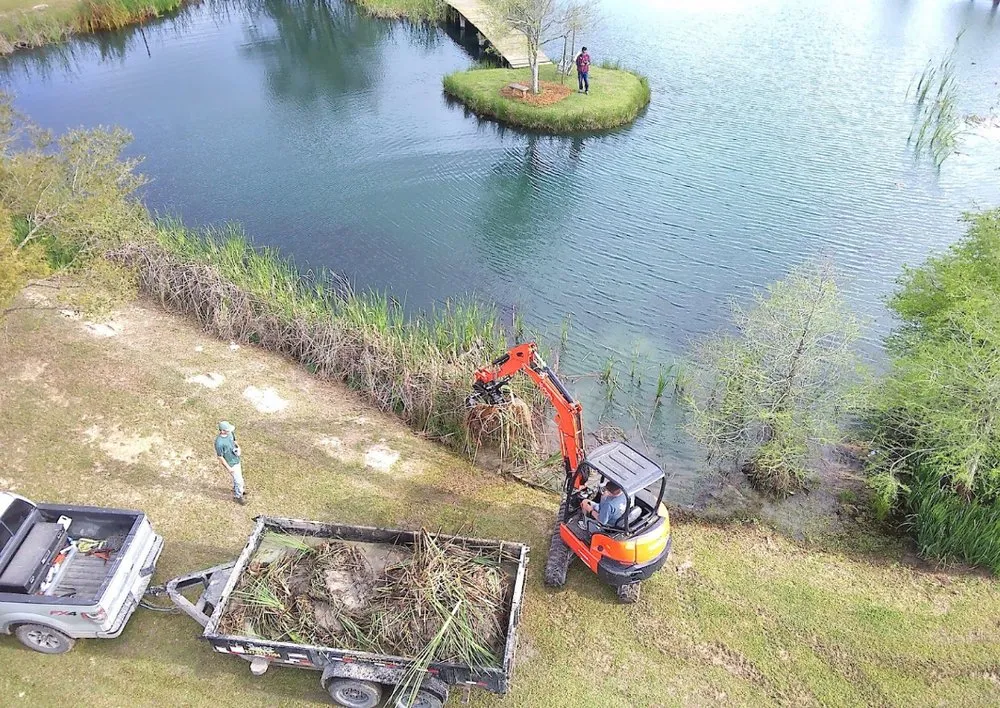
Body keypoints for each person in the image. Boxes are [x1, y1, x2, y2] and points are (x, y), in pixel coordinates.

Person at [215, 421, 246, 505]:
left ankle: (238, 489)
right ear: (222, 431)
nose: (229, 431)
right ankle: (238, 496)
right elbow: (220, 457)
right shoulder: (219, 443)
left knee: (238, 479)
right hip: (231, 463)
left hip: (236, 459)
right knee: (239, 480)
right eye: (227, 430)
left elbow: (234, 441)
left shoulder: (231, 433)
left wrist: (238, 448)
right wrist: (228, 468)